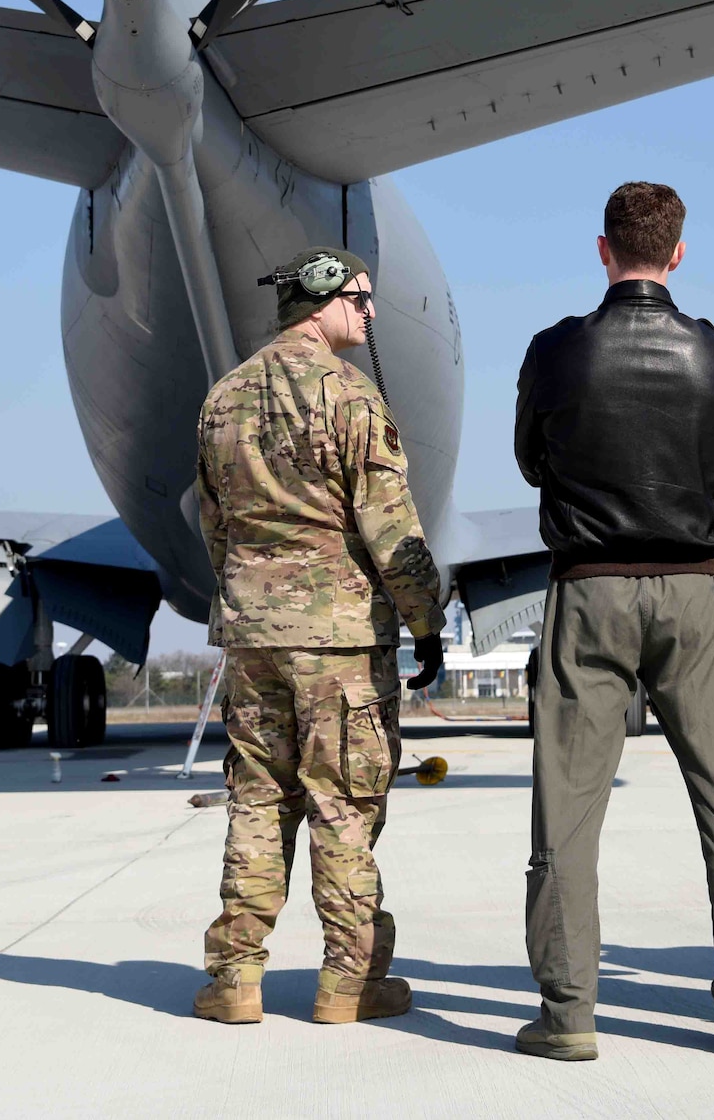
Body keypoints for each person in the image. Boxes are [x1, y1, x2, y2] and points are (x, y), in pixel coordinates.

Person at [513, 181, 714, 1061]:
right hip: (692, 588)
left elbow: (530, 461)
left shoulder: (555, 353)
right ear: (678, 253)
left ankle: (569, 1016)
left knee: (568, 806)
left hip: (588, 588)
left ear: (604, 250)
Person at [190, 247, 447, 1027]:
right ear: (326, 297)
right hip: (338, 645)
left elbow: (213, 523)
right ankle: (348, 983)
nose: (370, 315)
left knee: (259, 798)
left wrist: (250, 601)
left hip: (252, 637)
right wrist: (425, 618)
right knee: (342, 807)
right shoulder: (351, 395)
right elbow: (390, 526)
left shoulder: (223, 397)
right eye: (363, 300)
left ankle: (234, 979)